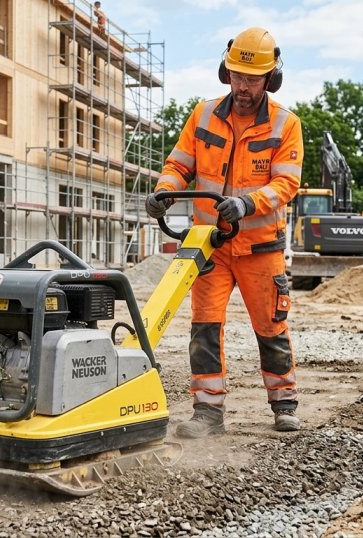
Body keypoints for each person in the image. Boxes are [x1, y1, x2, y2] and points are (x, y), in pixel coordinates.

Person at [145, 27, 304, 436]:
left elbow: (286, 183)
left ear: (271, 78)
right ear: (225, 72)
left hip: (260, 248)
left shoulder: (286, 124)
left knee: (270, 327)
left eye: (252, 79)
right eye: (236, 76)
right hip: (210, 245)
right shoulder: (202, 115)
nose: (243, 86)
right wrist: (164, 192)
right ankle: (208, 412)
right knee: (204, 327)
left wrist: (247, 203)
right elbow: (178, 165)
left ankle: (284, 403)